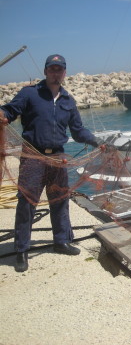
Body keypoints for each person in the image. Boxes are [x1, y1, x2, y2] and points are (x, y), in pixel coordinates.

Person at [0, 54, 103, 272]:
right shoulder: (30, 93)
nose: (56, 73)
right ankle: (21, 250)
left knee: (60, 199)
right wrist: (2, 113)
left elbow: (78, 129)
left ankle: (61, 241)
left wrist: (96, 141)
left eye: (60, 69)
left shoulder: (68, 100)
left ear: (64, 72)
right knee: (27, 203)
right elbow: (11, 110)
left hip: (58, 156)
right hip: (32, 156)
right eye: (52, 69)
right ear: (46, 71)